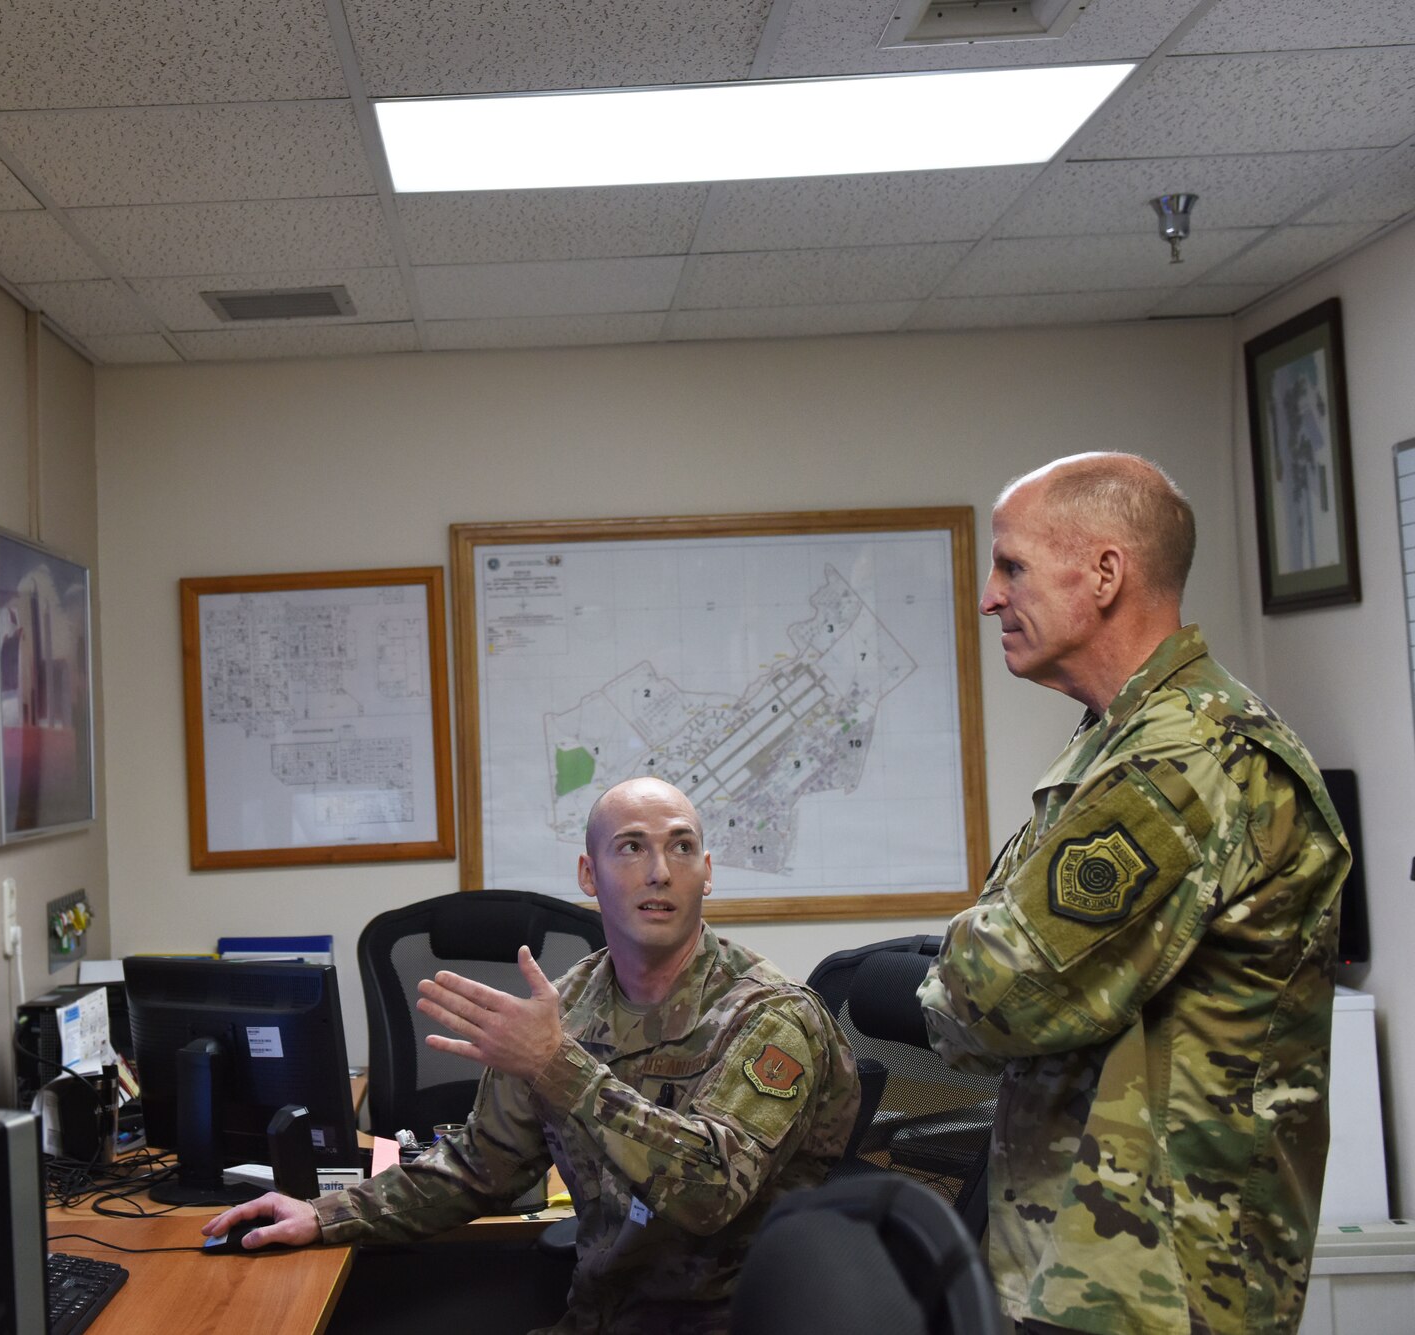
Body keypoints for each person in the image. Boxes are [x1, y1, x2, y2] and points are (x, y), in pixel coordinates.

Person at [918, 453, 1350, 1335]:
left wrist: (929, 974)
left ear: (1106, 573)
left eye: (1012, 566)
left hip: (1161, 1282)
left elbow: (1001, 990)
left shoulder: (1186, 757)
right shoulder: (1121, 743)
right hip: (1089, 1264)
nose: (989, 597)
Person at [205, 776, 859, 1334]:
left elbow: (710, 1194)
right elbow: (478, 1169)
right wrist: (322, 1214)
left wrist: (558, 1066)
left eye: (681, 846)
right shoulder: (569, 1005)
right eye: (632, 846)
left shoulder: (773, 1017)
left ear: (706, 873)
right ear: (588, 873)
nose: (660, 869)